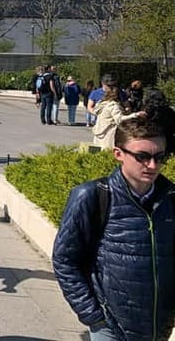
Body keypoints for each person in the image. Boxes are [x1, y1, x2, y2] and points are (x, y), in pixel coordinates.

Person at [52, 119, 175, 340]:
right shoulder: (92, 196)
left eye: (160, 157)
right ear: (118, 154)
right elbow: (65, 260)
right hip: (110, 325)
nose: (153, 165)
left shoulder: (171, 199)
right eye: (142, 157)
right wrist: (92, 315)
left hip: (158, 326)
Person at [92, 86, 144, 150]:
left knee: (96, 151)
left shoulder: (102, 104)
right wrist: (135, 115)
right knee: (108, 151)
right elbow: (119, 119)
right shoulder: (113, 106)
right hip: (108, 133)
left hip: (98, 132)